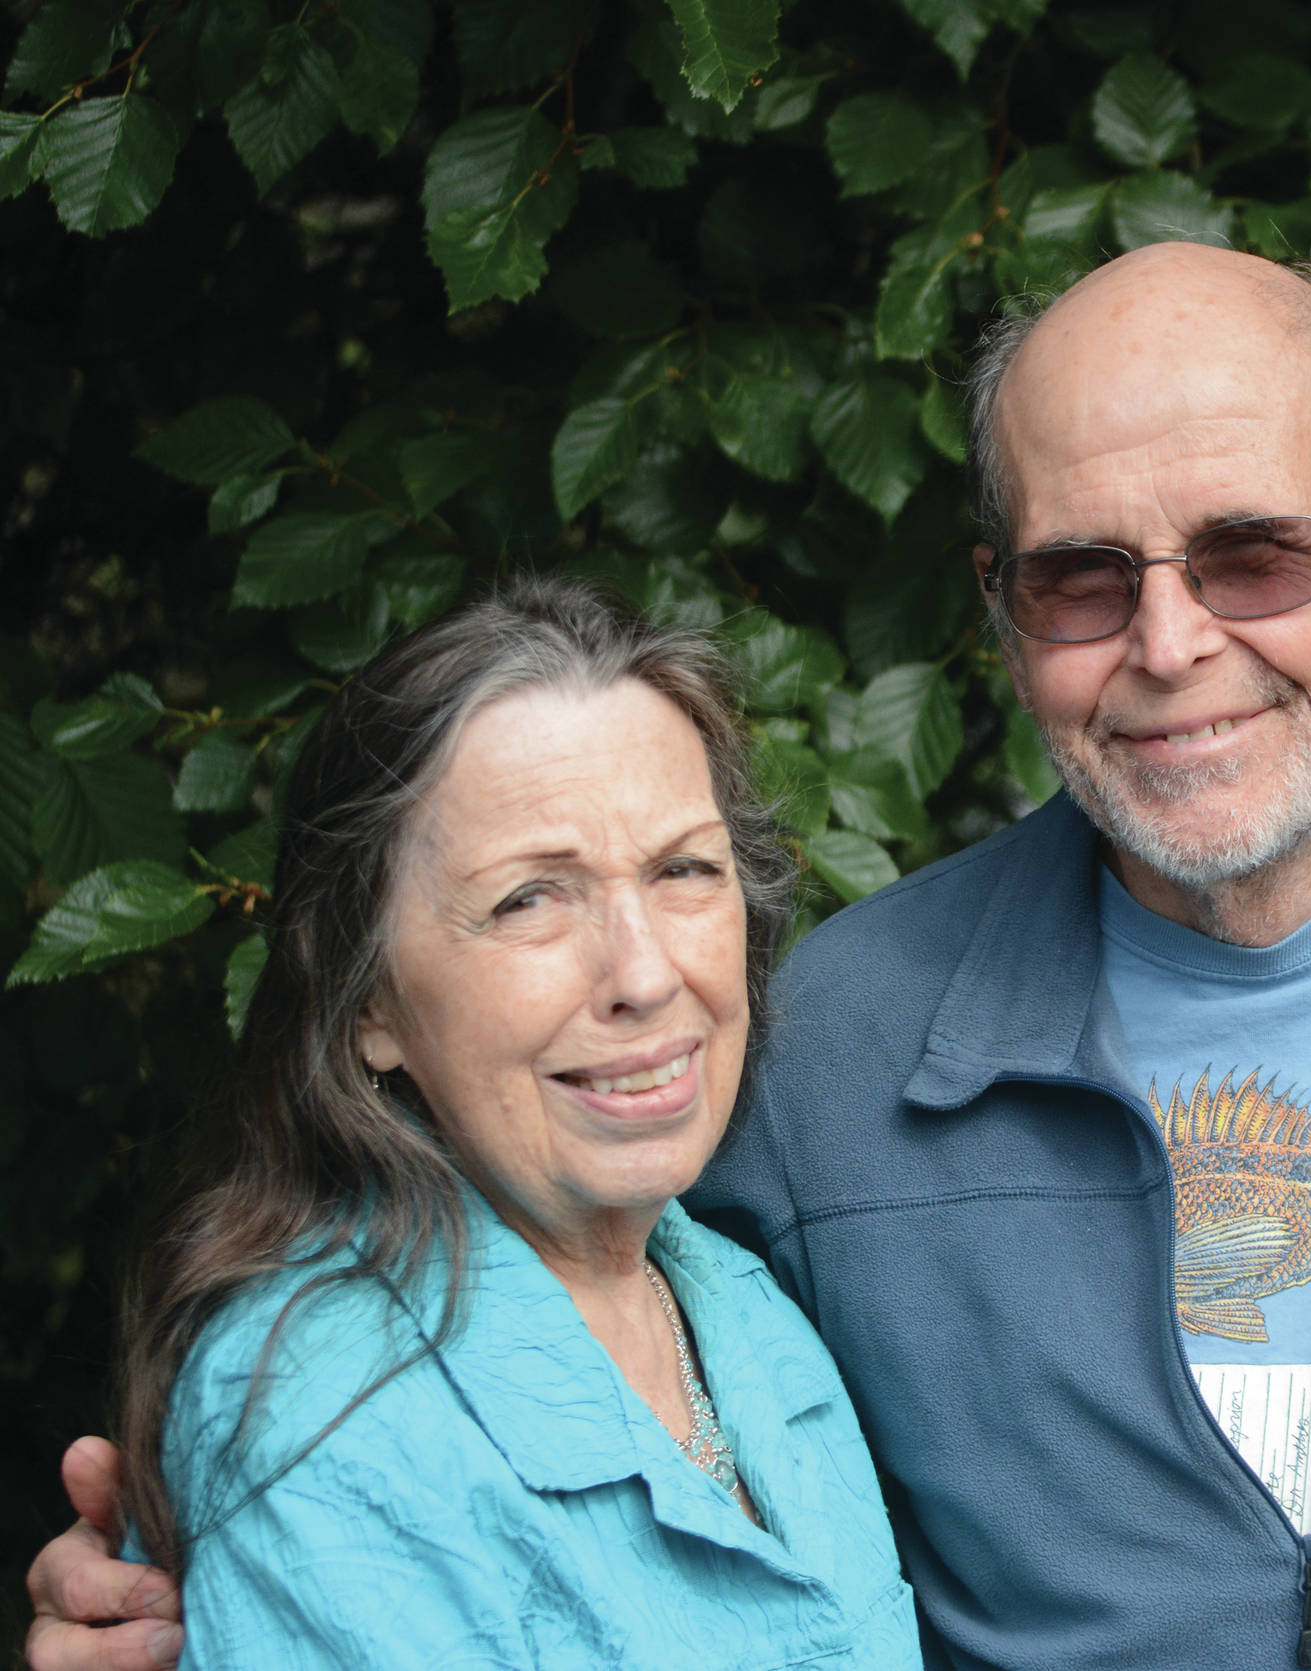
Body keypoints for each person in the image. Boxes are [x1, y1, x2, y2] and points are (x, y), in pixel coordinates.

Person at [26, 245, 1311, 1669]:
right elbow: (525, 1380)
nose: (1169, 643)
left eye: (1253, 551)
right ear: (1003, 618)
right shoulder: (828, 1047)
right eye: (1086, 575)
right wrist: (185, 1594)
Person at [33, 580, 920, 1668]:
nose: (643, 974)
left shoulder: (741, 1306)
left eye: (683, 869)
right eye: (528, 899)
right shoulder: (325, 1415)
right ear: (368, 1005)